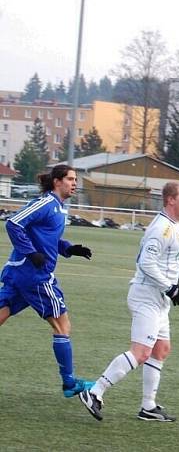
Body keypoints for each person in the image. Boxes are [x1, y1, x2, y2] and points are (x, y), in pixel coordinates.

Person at [79, 182, 179, 422]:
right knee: (141, 353)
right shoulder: (162, 227)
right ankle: (94, 392)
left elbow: (159, 260)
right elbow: (146, 262)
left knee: (161, 349)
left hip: (158, 299)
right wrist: (170, 287)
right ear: (171, 200)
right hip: (147, 296)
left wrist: (174, 272)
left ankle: (148, 407)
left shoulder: (173, 226)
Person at [0, 164, 94, 397]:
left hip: (22, 276)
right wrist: (31, 253)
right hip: (36, 277)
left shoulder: (59, 209)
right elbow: (13, 223)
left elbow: (48, 239)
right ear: (57, 182)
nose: (75, 183)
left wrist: (69, 248)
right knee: (63, 326)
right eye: (71, 179)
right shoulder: (46, 203)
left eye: (75, 180)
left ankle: (70, 382)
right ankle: (70, 383)